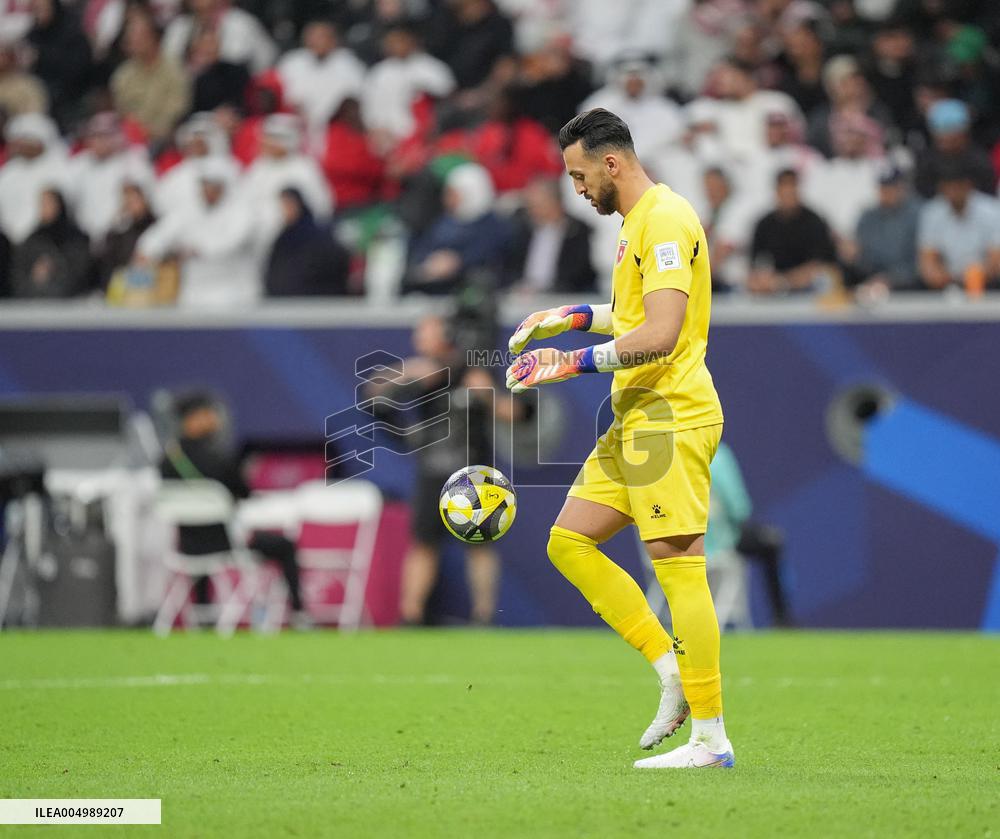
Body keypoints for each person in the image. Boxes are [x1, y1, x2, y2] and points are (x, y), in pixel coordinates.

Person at [506, 108, 733, 769]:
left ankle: (711, 737)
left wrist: (570, 362)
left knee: (678, 562)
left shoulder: (664, 219)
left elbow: (661, 332)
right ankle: (671, 670)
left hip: (671, 413)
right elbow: (635, 313)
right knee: (569, 542)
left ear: (612, 163)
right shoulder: (637, 222)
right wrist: (571, 317)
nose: (577, 189)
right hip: (636, 416)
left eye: (580, 176)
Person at [366, 314, 505, 626]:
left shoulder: (473, 369)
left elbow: (515, 414)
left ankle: (484, 617)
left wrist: (487, 395)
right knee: (424, 543)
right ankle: (411, 616)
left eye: (426, 333)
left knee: (479, 543)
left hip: (473, 471)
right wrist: (400, 375)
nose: (419, 339)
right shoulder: (420, 370)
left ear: (448, 335)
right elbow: (372, 395)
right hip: (432, 468)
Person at [160, 392, 310, 629]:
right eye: (209, 413)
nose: (216, 419)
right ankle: (299, 613)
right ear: (194, 418)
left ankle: (203, 611)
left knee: (203, 543)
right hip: (227, 545)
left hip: (187, 547)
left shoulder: (168, 459)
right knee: (284, 545)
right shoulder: (216, 457)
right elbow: (243, 493)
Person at [748, 168, 839, 295]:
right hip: (770, 292)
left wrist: (784, 282)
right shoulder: (764, 224)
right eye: (784, 189)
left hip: (809, 290)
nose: (788, 193)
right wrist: (764, 280)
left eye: (792, 188)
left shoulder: (814, 222)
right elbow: (756, 264)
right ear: (777, 191)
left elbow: (820, 265)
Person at [917, 160, 1000, 292]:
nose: (953, 192)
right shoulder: (932, 212)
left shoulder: (990, 210)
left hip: (986, 283)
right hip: (946, 284)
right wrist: (943, 278)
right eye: (949, 187)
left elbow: (996, 259)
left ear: (968, 186)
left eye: (958, 187)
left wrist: (974, 277)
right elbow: (928, 261)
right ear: (942, 188)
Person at [110, 9, 191, 143]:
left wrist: (151, 131)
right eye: (130, 38)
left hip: (166, 138)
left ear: (154, 38)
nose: (133, 41)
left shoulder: (175, 69)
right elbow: (122, 112)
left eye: (139, 37)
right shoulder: (123, 75)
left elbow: (177, 111)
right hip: (131, 138)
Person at [506, 177, 595, 294]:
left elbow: (579, 272)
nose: (531, 210)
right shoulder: (523, 230)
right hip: (525, 295)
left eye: (537, 205)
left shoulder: (576, 231)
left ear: (554, 203)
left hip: (564, 296)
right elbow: (511, 267)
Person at [263, 188, 350, 297]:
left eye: (288, 204)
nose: (284, 210)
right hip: (283, 303)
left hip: (317, 303)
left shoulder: (319, 238)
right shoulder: (282, 239)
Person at [849, 163, 921, 296]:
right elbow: (864, 263)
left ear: (902, 188)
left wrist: (892, 279)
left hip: (911, 289)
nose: (886, 193)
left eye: (891, 188)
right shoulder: (868, 217)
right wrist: (854, 257)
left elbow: (920, 263)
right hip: (872, 286)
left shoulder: (918, 215)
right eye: (883, 188)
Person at [10, 188, 91, 297]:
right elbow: (18, 276)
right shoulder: (32, 240)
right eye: (42, 204)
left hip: (70, 302)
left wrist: (55, 270)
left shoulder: (75, 239)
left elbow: (81, 274)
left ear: (59, 204)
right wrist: (35, 279)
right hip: (34, 302)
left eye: (49, 203)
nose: (44, 208)